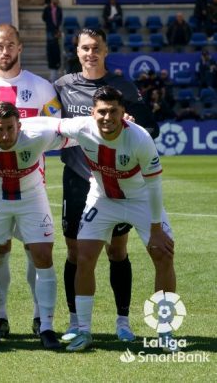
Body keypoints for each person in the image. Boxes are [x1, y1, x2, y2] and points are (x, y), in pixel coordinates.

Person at [54, 28, 159, 345]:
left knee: (117, 250)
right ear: (77, 51)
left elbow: (150, 126)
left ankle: (123, 321)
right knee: (76, 252)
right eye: (85, 48)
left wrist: (132, 120)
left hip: (115, 182)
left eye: (96, 48)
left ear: (105, 51)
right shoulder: (62, 86)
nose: (90, 53)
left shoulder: (122, 87)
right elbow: (44, 119)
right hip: (76, 178)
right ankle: (76, 322)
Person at [58, 86, 175, 352]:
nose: (107, 117)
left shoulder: (140, 138)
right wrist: (14, 124)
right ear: (92, 112)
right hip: (102, 198)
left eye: (113, 111)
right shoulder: (81, 127)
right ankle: (84, 332)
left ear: (124, 113)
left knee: (164, 254)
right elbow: (48, 125)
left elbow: (155, 186)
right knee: (84, 255)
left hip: (140, 200)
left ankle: (165, 330)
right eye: (102, 111)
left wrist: (156, 229)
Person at [0, 24, 62, 338]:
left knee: (38, 252)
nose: (5, 51)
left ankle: (40, 319)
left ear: (20, 47)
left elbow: (57, 129)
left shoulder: (42, 86)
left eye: (10, 45)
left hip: (33, 183)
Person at [0, 102, 69, 349]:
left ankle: (47, 327)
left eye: (11, 128)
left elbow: (72, 131)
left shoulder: (38, 135)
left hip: (32, 199)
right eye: (0, 129)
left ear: (20, 125)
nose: (6, 135)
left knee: (42, 255)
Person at [42, 0, 63, 82]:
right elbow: (44, 18)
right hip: (50, 30)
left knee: (56, 48)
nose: (56, 1)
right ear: (52, 0)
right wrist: (49, 24)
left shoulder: (59, 9)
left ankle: (56, 70)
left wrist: (58, 29)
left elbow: (60, 19)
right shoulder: (47, 9)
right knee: (51, 48)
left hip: (56, 30)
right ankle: (52, 72)